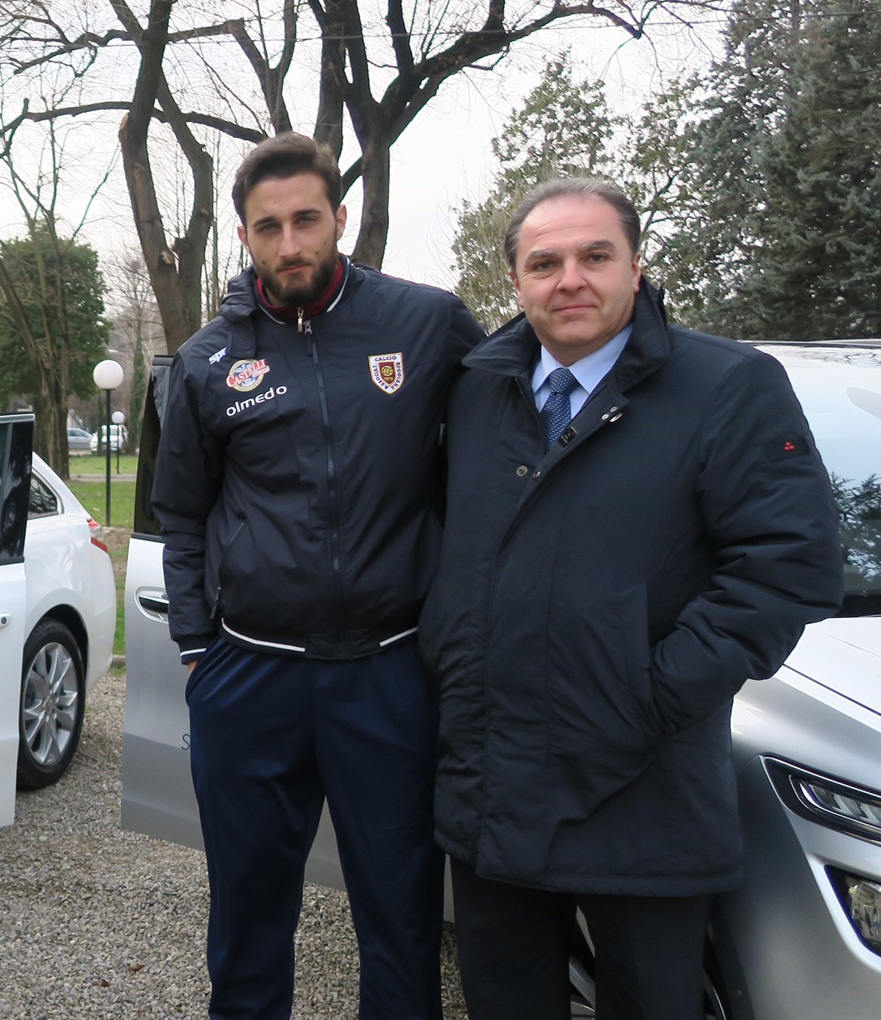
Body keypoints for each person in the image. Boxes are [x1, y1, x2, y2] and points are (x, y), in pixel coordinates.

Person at [421, 177, 844, 1020]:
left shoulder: (728, 386)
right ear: (517, 282)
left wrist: (646, 695)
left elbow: (787, 567)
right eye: (545, 262)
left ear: (636, 265)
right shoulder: (476, 391)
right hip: (492, 790)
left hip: (641, 792)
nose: (569, 278)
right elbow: (446, 545)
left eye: (594, 256)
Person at [152, 132, 484, 1020]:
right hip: (250, 677)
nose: (290, 242)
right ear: (245, 237)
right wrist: (196, 646)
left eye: (307, 219)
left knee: (400, 906)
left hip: (389, 670)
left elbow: (514, 430)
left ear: (340, 217)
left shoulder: (426, 322)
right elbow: (179, 515)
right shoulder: (206, 362)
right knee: (251, 910)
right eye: (269, 227)